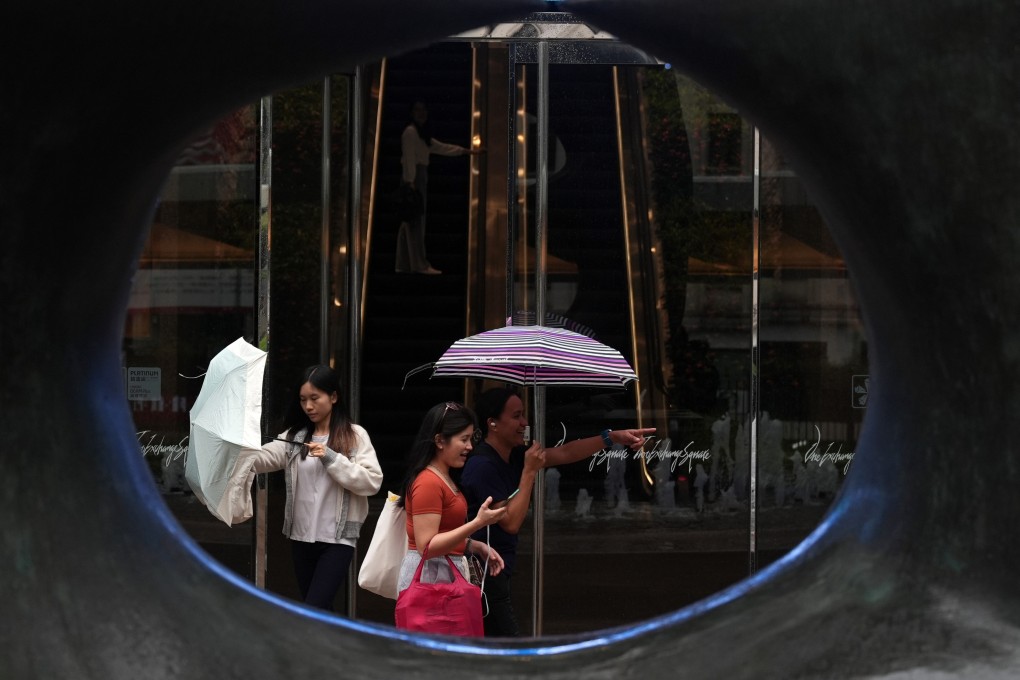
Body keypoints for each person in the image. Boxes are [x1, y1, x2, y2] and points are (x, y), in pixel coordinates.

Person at [459, 387, 656, 637]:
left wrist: (613, 437)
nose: (524, 423)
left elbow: (565, 452)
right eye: (516, 416)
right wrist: (529, 472)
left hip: (498, 571)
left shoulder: (513, 454)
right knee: (511, 651)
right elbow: (510, 522)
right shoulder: (483, 465)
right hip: (483, 577)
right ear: (493, 424)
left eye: (524, 415)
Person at [248, 365, 383, 612]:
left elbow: (372, 482)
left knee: (314, 608)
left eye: (314, 398)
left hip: (337, 540)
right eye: (302, 400)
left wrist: (332, 458)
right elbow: (264, 459)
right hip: (301, 538)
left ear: (333, 397)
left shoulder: (355, 436)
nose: (308, 406)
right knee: (318, 611)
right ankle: (331, 650)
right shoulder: (295, 436)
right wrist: (239, 451)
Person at [395, 401, 507, 616]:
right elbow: (427, 546)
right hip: (431, 579)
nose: (470, 447)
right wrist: (478, 523)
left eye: (470, 438)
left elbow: (442, 535)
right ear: (439, 440)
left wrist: (476, 546)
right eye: (463, 439)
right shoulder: (428, 482)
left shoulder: (444, 477)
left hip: (439, 576)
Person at [395, 99, 481, 275]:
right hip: (414, 178)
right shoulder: (411, 132)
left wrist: (466, 151)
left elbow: (441, 147)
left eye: (424, 110)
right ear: (411, 113)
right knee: (416, 222)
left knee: (408, 222)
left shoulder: (421, 134)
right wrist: (411, 182)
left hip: (416, 176)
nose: (422, 113)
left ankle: (403, 263)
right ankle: (420, 265)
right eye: (418, 110)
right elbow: (409, 157)